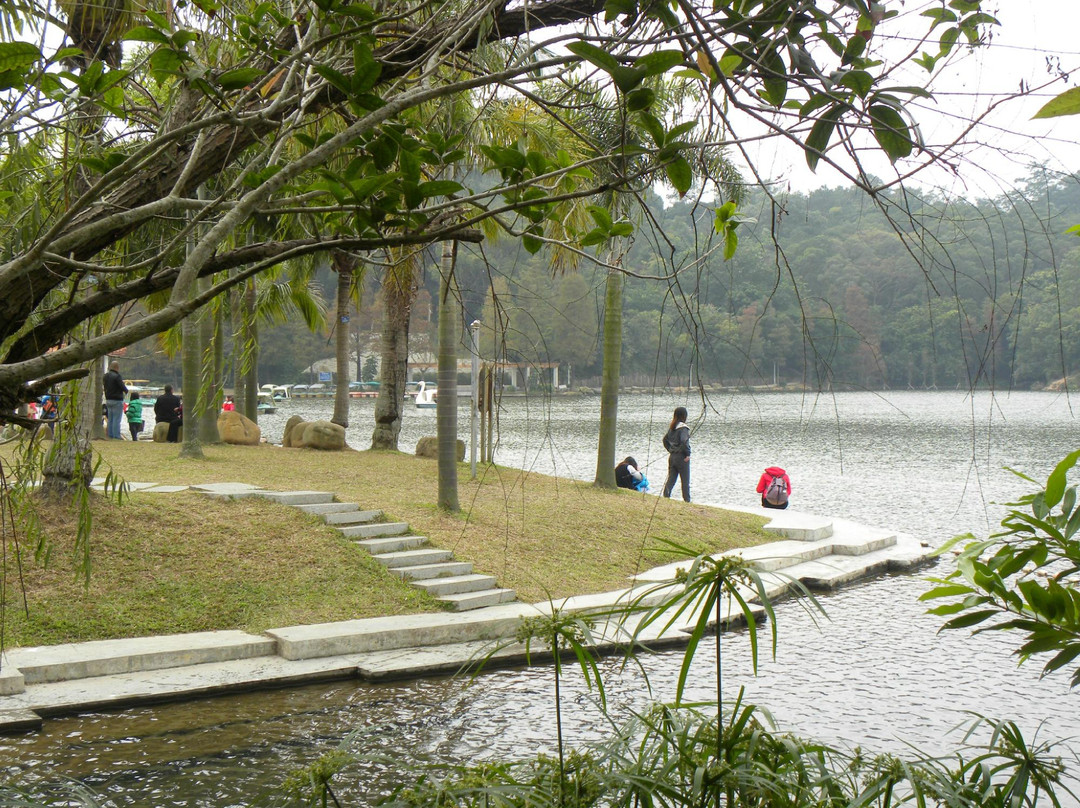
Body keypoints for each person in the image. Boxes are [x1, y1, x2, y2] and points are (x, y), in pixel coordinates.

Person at [661, 406, 691, 502]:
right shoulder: (683, 428)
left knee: (671, 479)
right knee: (685, 481)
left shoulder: (672, 427)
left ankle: (666, 496)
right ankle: (687, 500)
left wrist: (670, 450)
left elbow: (664, 440)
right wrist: (687, 454)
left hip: (672, 457)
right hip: (682, 457)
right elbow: (684, 441)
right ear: (684, 416)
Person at [103, 360, 128, 440]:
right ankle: (116, 436)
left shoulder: (105, 376)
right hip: (117, 400)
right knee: (116, 419)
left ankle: (110, 434)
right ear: (117, 368)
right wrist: (126, 391)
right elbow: (122, 387)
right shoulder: (117, 376)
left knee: (110, 418)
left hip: (108, 400)